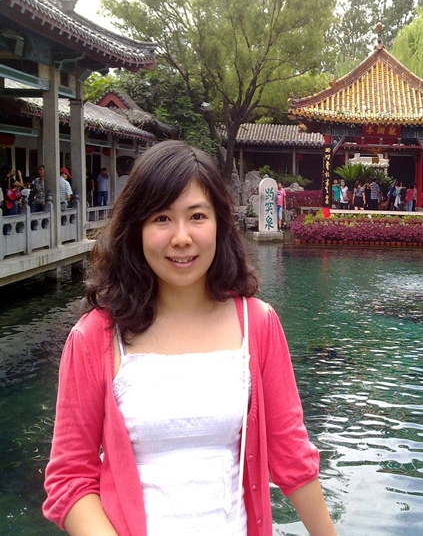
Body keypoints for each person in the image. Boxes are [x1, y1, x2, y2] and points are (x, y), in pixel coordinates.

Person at [43, 141, 337, 536]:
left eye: (197, 216)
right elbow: (70, 478)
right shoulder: (95, 336)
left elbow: (292, 458)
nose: (181, 237)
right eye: (161, 218)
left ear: (219, 222)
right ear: (136, 228)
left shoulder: (257, 324)